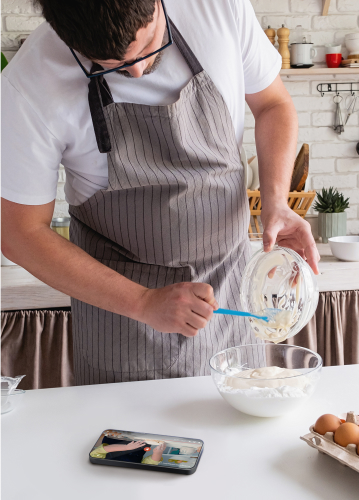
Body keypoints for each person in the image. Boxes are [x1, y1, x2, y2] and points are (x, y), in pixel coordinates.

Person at [1, 0, 320, 385]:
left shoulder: (217, 8)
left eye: (149, 43)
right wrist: (143, 302)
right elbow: (19, 233)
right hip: (123, 323)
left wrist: (276, 202)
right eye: (111, 64)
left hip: (231, 300)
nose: (136, 71)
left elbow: (272, 104)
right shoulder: (29, 84)